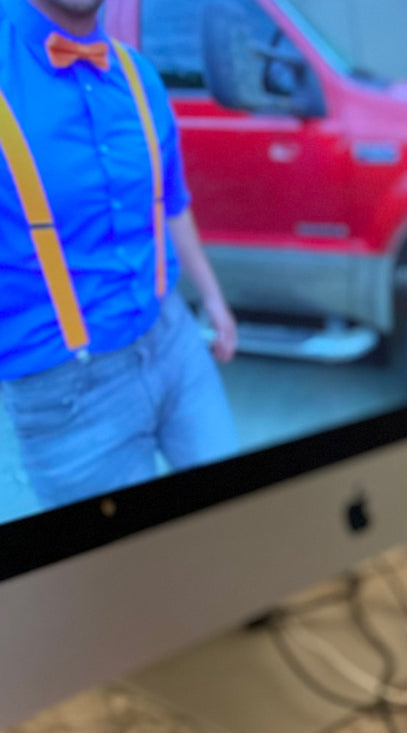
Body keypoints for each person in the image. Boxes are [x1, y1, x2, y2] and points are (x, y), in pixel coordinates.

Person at [0, 0, 239, 512]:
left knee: (237, 518)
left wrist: (213, 297)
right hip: (66, 393)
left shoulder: (138, 73)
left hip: (172, 338)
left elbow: (172, 203)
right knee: (132, 565)